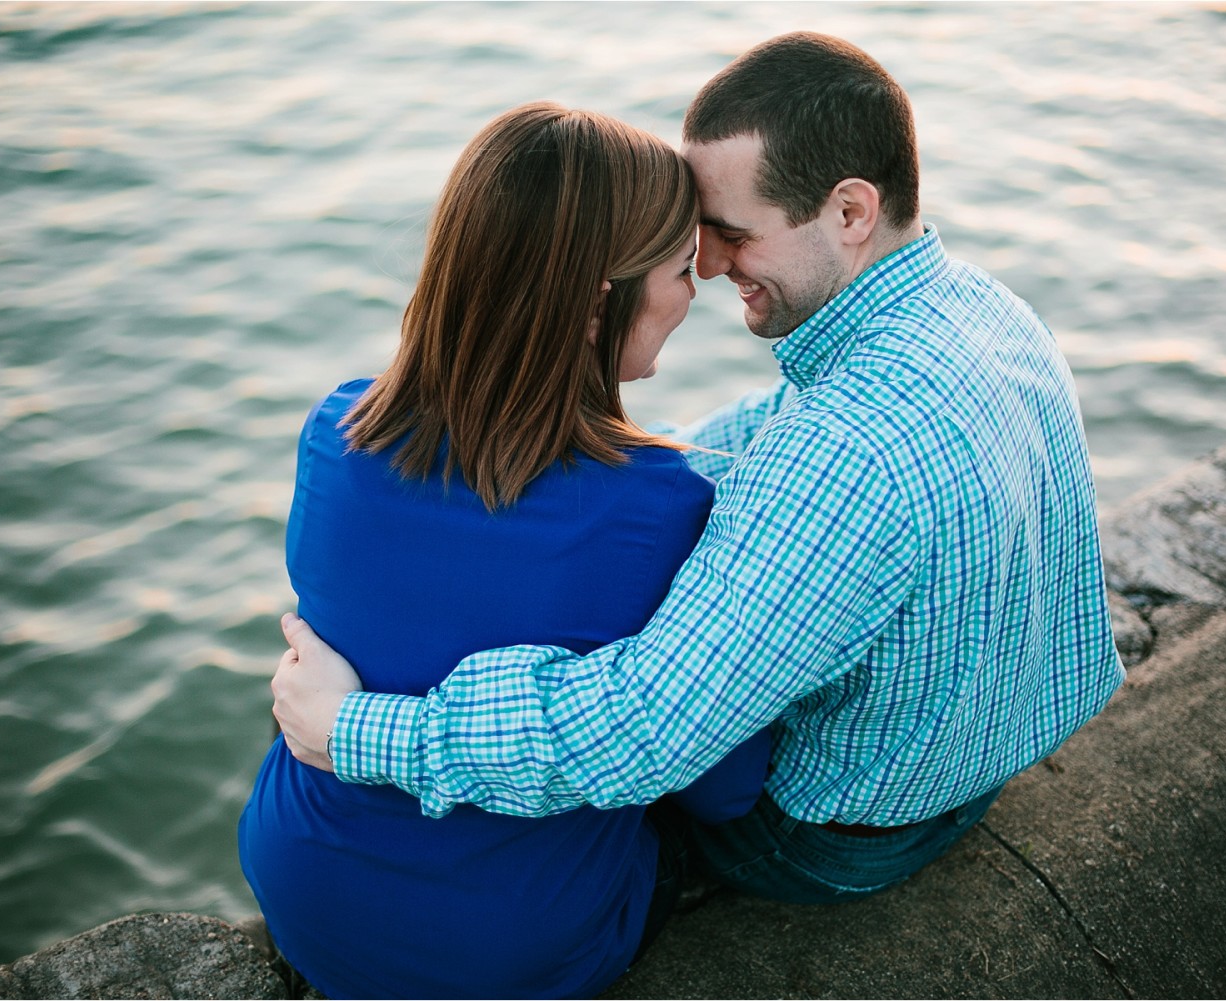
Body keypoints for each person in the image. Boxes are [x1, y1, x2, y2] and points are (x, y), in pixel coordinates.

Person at [272, 32, 1125, 907]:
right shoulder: (982, 311)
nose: (709, 266)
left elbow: (640, 729)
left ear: (850, 212)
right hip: (981, 747)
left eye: (730, 233)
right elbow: (764, 435)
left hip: (835, 836)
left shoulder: (845, 452)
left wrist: (353, 730)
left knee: (568, 826)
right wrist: (586, 472)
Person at [239, 101, 771, 1000]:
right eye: (683, 268)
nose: (698, 289)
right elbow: (721, 780)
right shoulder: (662, 506)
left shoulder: (337, 430)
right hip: (506, 952)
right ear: (601, 305)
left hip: (304, 892)